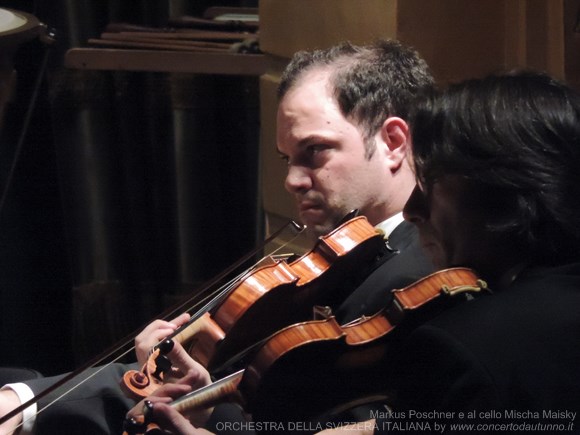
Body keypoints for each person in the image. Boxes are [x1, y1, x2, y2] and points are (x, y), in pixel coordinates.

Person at [0, 39, 435, 435]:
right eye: (286, 158)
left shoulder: (426, 278)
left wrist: (204, 410)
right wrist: (22, 402)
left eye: (314, 151)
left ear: (394, 141)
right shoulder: (343, 253)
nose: (292, 180)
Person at [128, 70, 580, 434]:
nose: (416, 209)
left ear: (501, 195)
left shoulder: (467, 343)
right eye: (288, 159)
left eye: (435, 183)